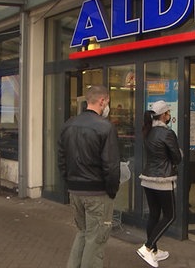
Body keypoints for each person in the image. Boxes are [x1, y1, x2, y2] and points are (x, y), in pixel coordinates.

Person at [58, 85, 121, 268]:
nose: (108, 106)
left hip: (75, 191)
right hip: (97, 193)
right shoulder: (106, 127)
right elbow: (111, 165)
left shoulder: (68, 125)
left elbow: (61, 160)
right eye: (107, 102)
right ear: (102, 101)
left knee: (83, 233)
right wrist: (112, 190)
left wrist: (70, 182)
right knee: (96, 239)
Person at [136, 100, 182, 268]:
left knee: (154, 214)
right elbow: (177, 158)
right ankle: (148, 247)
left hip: (147, 179)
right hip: (163, 180)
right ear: (163, 115)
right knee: (170, 216)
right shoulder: (167, 133)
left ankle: (154, 251)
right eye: (168, 113)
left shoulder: (147, 131)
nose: (170, 115)